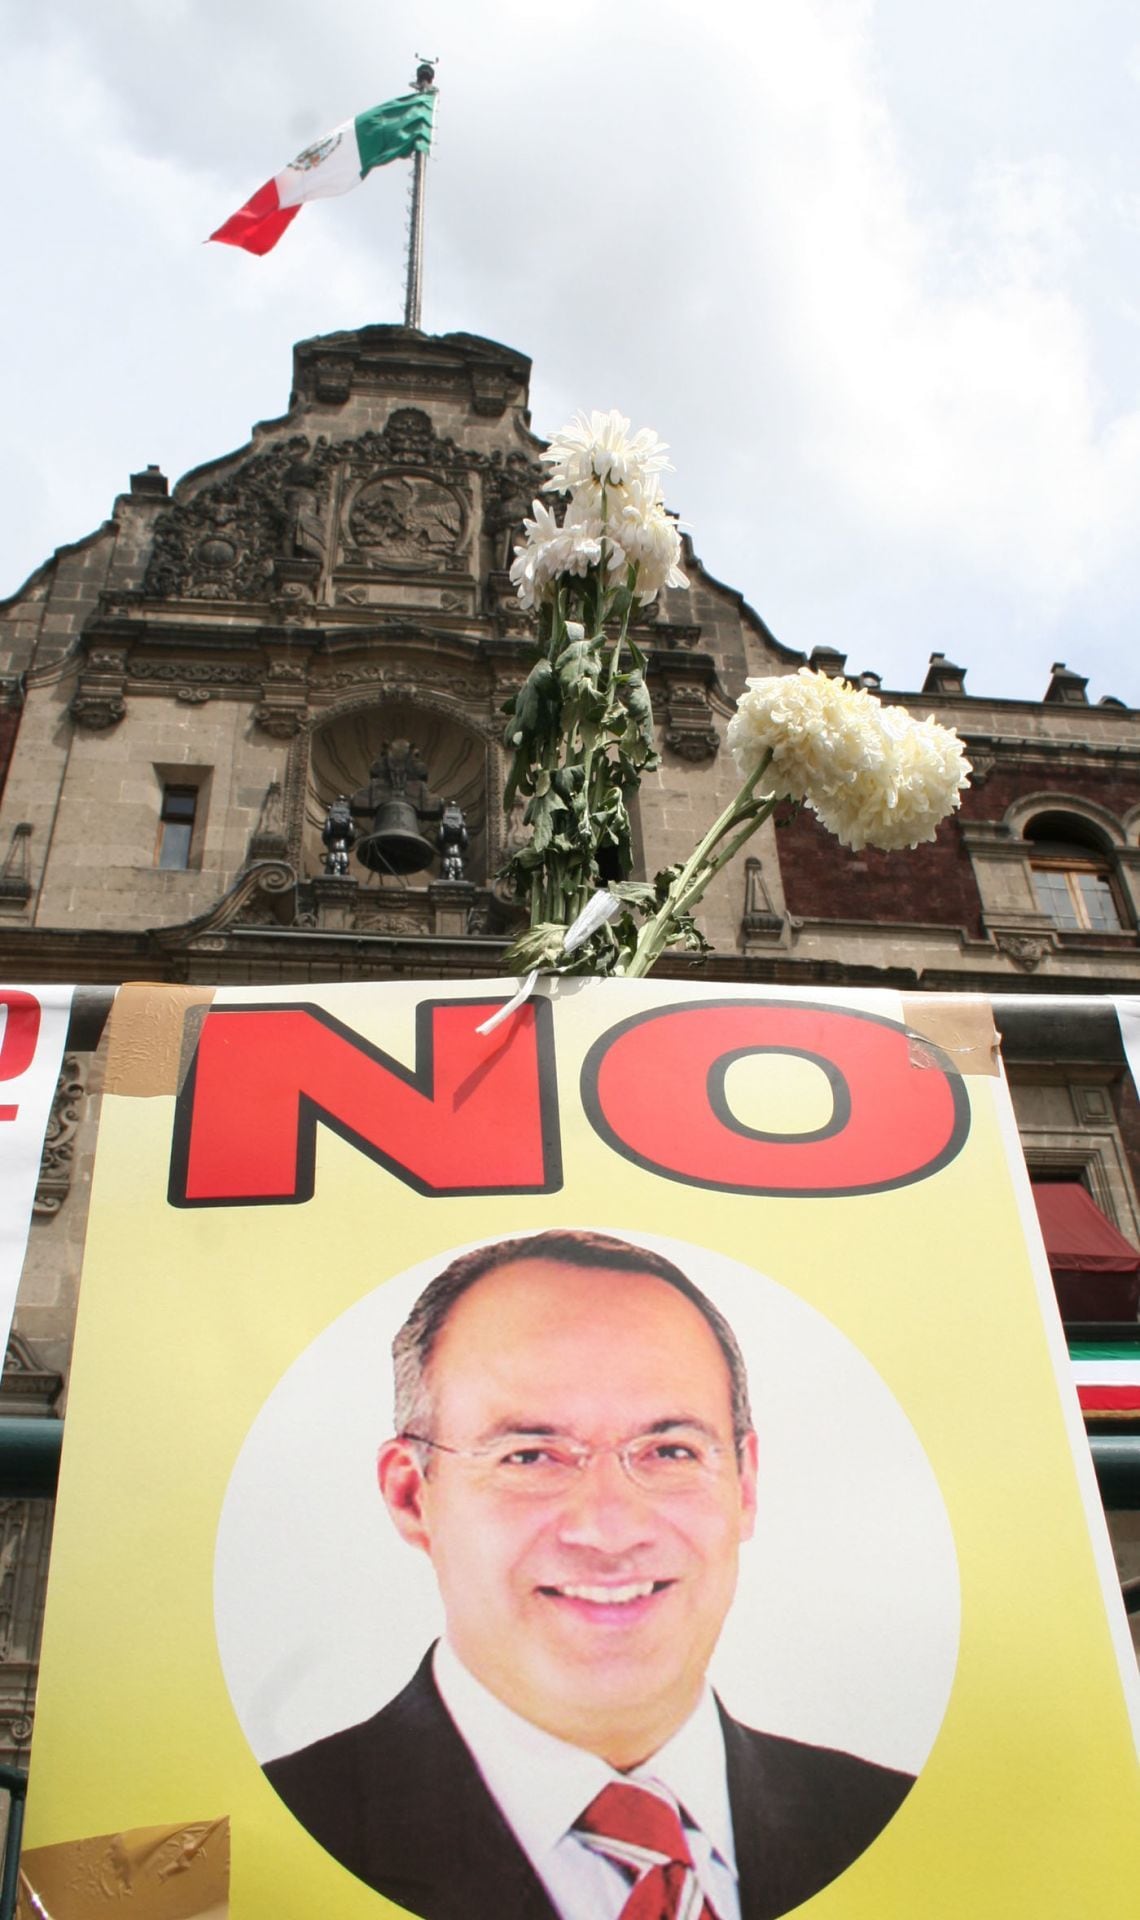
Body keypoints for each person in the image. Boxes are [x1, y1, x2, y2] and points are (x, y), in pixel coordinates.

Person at [264, 1230, 913, 1920]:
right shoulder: (260, 1850)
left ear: (745, 1486)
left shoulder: (899, 1824)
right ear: (411, 1495)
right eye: (530, 1455)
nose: (609, 1530)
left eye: (669, 1450)